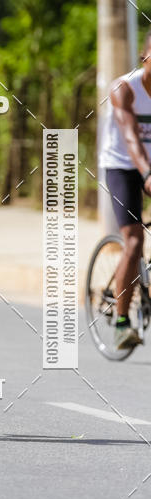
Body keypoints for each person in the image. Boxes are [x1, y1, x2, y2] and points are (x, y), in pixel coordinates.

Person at [98, 31, 151, 350]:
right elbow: (131, 137)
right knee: (134, 239)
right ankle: (121, 323)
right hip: (123, 166)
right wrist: (146, 173)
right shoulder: (124, 89)